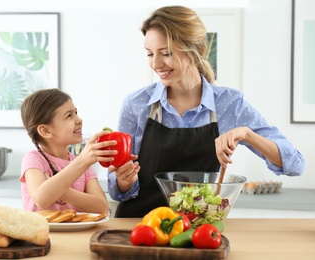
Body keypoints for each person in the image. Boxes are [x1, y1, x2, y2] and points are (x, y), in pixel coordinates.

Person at [107, 5, 305, 218]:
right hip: (139, 227)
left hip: (197, 231)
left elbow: (294, 164)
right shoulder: (136, 104)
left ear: (196, 50)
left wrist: (247, 134)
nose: (155, 64)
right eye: (149, 54)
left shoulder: (228, 104)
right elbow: (119, 192)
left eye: (166, 53)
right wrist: (123, 182)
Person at [20, 88, 115, 214]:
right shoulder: (34, 160)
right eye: (69, 115)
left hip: (78, 234)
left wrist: (62, 192)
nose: (79, 120)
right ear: (46, 131)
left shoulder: (84, 166)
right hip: (43, 234)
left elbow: (102, 208)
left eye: (76, 112)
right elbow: (41, 199)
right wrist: (82, 161)